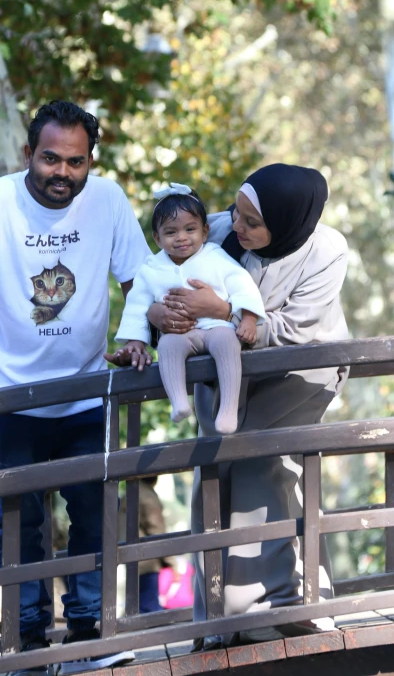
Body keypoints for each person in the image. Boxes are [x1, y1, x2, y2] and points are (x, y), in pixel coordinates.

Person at [0, 101, 150, 676]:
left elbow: (139, 280)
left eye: (76, 162)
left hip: (86, 391)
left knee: (91, 511)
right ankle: (27, 644)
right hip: (11, 396)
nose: (63, 172)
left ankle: (88, 634)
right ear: (28, 154)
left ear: (91, 161)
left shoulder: (107, 200)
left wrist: (136, 338)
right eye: (51, 158)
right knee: (22, 520)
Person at [145, 164, 349, 648]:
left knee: (262, 466)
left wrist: (224, 312)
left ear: (289, 222)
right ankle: (216, 616)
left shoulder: (326, 250)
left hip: (300, 371)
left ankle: (287, 604)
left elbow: (292, 331)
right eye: (237, 213)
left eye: (251, 223)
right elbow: (159, 276)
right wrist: (157, 313)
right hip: (229, 371)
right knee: (211, 471)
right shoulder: (219, 229)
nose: (235, 226)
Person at [114, 183, 266, 435]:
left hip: (217, 327)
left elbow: (243, 286)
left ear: (205, 232)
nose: (182, 237)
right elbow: (136, 305)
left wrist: (248, 320)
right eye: (171, 232)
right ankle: (179, 403)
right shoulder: (150, 268)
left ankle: (228, 409)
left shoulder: (215, 256)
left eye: (190, 229)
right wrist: (135, 341)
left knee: (228, 343)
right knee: (166, 347)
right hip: (179, 334)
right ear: (157, 238)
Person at [118, 477, 175, 614]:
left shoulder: (130, 493)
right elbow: (156, 529)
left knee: (138, 607)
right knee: (149, 609)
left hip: (132, 557)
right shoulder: (146, 496)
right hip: (147, 559)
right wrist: (171, 561)